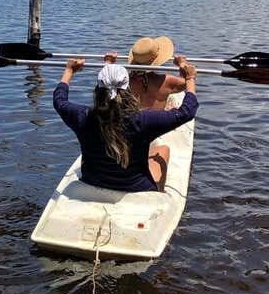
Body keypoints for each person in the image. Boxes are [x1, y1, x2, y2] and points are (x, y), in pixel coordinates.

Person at [53, 53, 198, 192]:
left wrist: (69, 71)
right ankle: (158, 193)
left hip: (91, 180)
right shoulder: (144, 120)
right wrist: (190, 78)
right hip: (138, 188)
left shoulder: (82, 116)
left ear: (98, 89)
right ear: (127, 88)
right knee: (162, 150)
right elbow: (187, 112)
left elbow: (59, 101)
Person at [128, 36, 187, 110]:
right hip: (158, 120)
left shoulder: (125, 82)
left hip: (136, 120)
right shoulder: (166, 81)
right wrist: (182, 64)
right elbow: (189, 80)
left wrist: (109, 62)